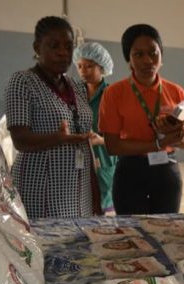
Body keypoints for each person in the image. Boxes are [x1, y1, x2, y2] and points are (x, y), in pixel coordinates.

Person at [99, 24, 184, 215]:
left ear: (161, 56)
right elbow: (113, 146)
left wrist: (178, 136)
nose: (148, 60)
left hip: (167, 170)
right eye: (138, 54)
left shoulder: (178, 92)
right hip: (130, 172)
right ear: (129, 59)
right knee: (132, 232)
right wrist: (158, 143)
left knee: (165, 229)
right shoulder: (114, 93)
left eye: (153, 53)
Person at [5, 16, 94, 219]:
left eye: (68, 47)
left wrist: (94, 194)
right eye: (54, 46)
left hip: (78, 189)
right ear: (37, 47)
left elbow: (84, 137)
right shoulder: (22, 82)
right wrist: (57, 138)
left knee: (79, 245)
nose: (63, 52)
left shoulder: (77, 86)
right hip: (40, 188)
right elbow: (20, 139)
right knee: (47, 246)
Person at [73, 42, 116, 214]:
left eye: (89, 66)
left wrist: (102, 140)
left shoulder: (112, 94)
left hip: (104, 156)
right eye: (80, 66)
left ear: (102, 67)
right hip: (78, 154)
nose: (83, 71)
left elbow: (123, 133)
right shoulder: (73, 93)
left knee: (101, 204)